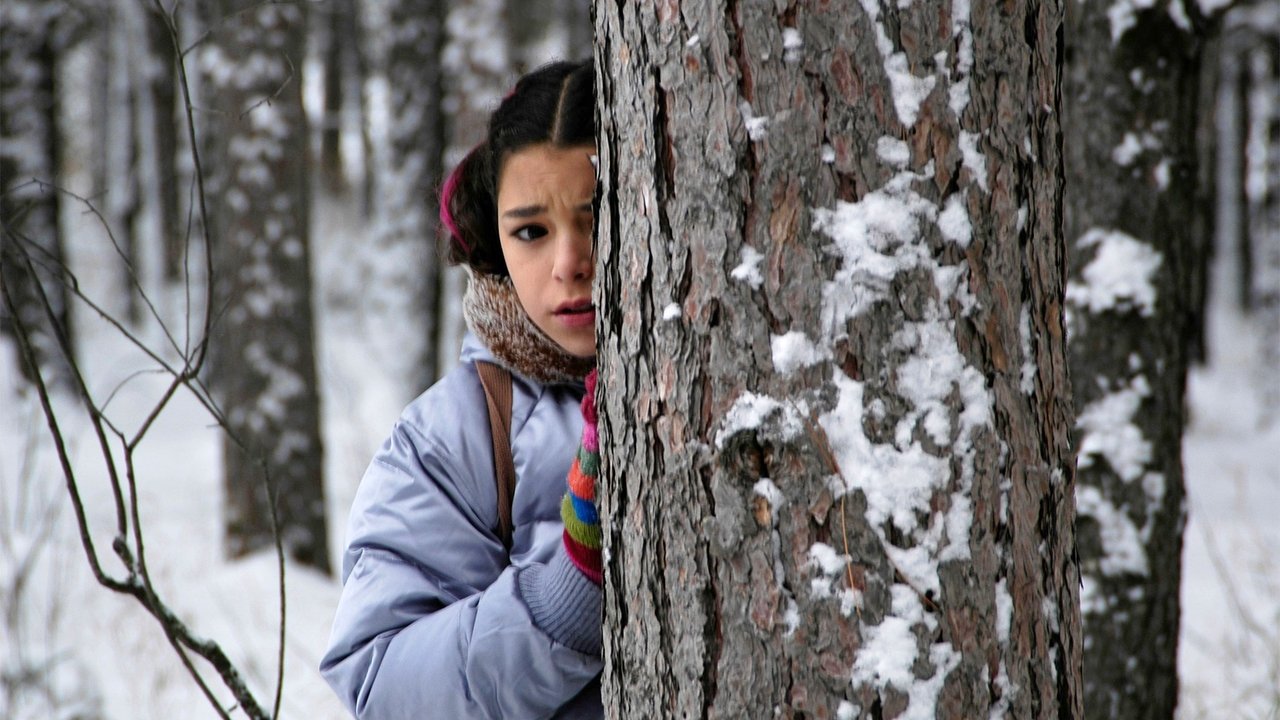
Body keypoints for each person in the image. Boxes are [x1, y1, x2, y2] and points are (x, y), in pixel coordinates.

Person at [320, 60, 604, 719]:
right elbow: (380, 686)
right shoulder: (449, 438)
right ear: (495, 243)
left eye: (595, 215)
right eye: (531, 231)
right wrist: (566, 596)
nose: (568, 264)